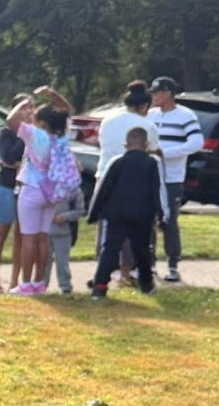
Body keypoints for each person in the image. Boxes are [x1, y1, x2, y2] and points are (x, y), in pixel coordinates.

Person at [92, 83, 166, 284]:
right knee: (132, 230)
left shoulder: (107, 121)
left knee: (106, 228)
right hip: (134, 179)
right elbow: (151, 149)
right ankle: (127, 271)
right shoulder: (146, 126)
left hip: (105, 174)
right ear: (144, 106)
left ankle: (101, 270)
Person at [3, 94, 77, 293]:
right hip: (52, 193)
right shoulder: (61, 136)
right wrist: (53, 94)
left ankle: (25, 284)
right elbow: (67, 110)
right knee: (43, 239)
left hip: (32, 190)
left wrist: (22, 103)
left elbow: (10, 120)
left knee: (28, 239)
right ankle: (39, 283)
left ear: (42, 122)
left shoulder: (34, 135)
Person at [86, 127, 161, 297]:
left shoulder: (117, 162)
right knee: (142, 251)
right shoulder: (151, 164)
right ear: (146, 145)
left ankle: (99, 286)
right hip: (142, 214)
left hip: (116, 214)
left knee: (110, 250)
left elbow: (103, 190)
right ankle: (146, 284)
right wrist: (161, 214)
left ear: (125, 145)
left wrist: (93, 213)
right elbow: (157, 191)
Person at [147, 78, 204, 282]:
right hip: (150, 175)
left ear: (168, 93)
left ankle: (172, 264)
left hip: (172, 178)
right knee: (148, 219)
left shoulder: (185, 115)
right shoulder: (150, 115)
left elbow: (196, 143)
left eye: (156, 93)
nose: (153, 97)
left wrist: (165, 153)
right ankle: (149, 263)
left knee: (169, 220)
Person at [0, 108, 26, 293]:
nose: (28, 112)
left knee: (20, 236)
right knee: (1, 234)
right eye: (24, 108)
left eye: (30, 108)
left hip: (25, 190)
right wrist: (24, 138)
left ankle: (14, 282)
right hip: (6, 187)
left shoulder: (35, 134)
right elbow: (9, 157)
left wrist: (19, 164)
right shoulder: (6, 133)